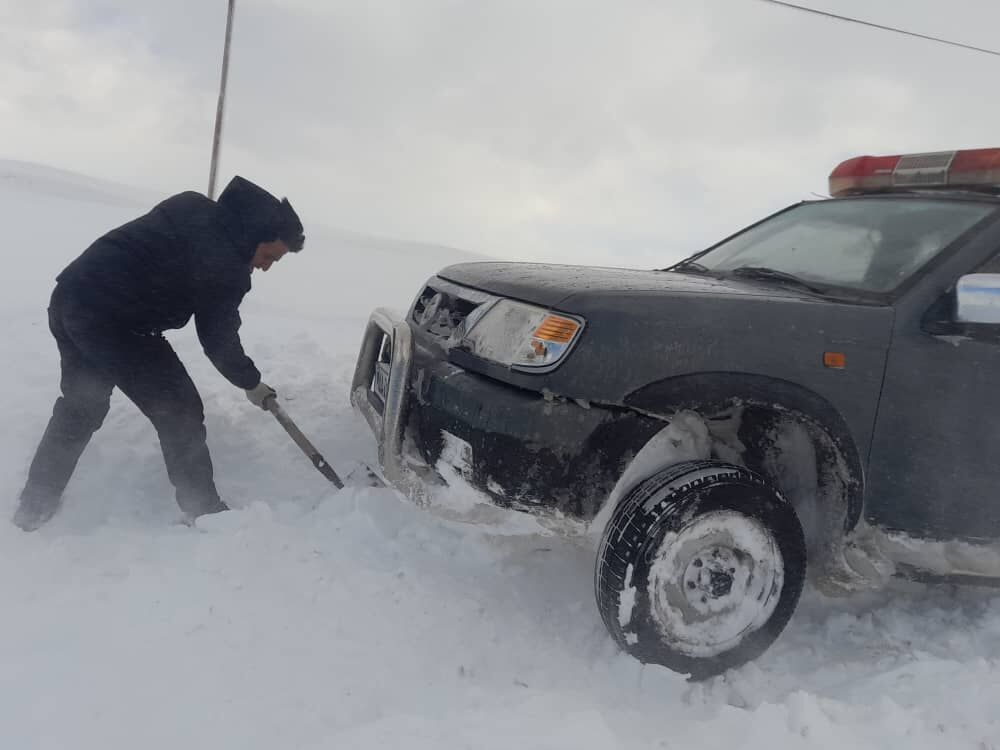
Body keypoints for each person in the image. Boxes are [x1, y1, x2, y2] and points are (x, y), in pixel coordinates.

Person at [12, 176, 305, 531]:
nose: (266, 266)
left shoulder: (192, 205)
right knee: (179, 409)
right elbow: (217, 337)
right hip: (115, 326)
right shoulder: (226, 264)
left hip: (70, 300)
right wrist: (251, 382)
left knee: (80, 405)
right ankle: (204, 511)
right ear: (255, 233)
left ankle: (34, 506)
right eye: (268, 255)